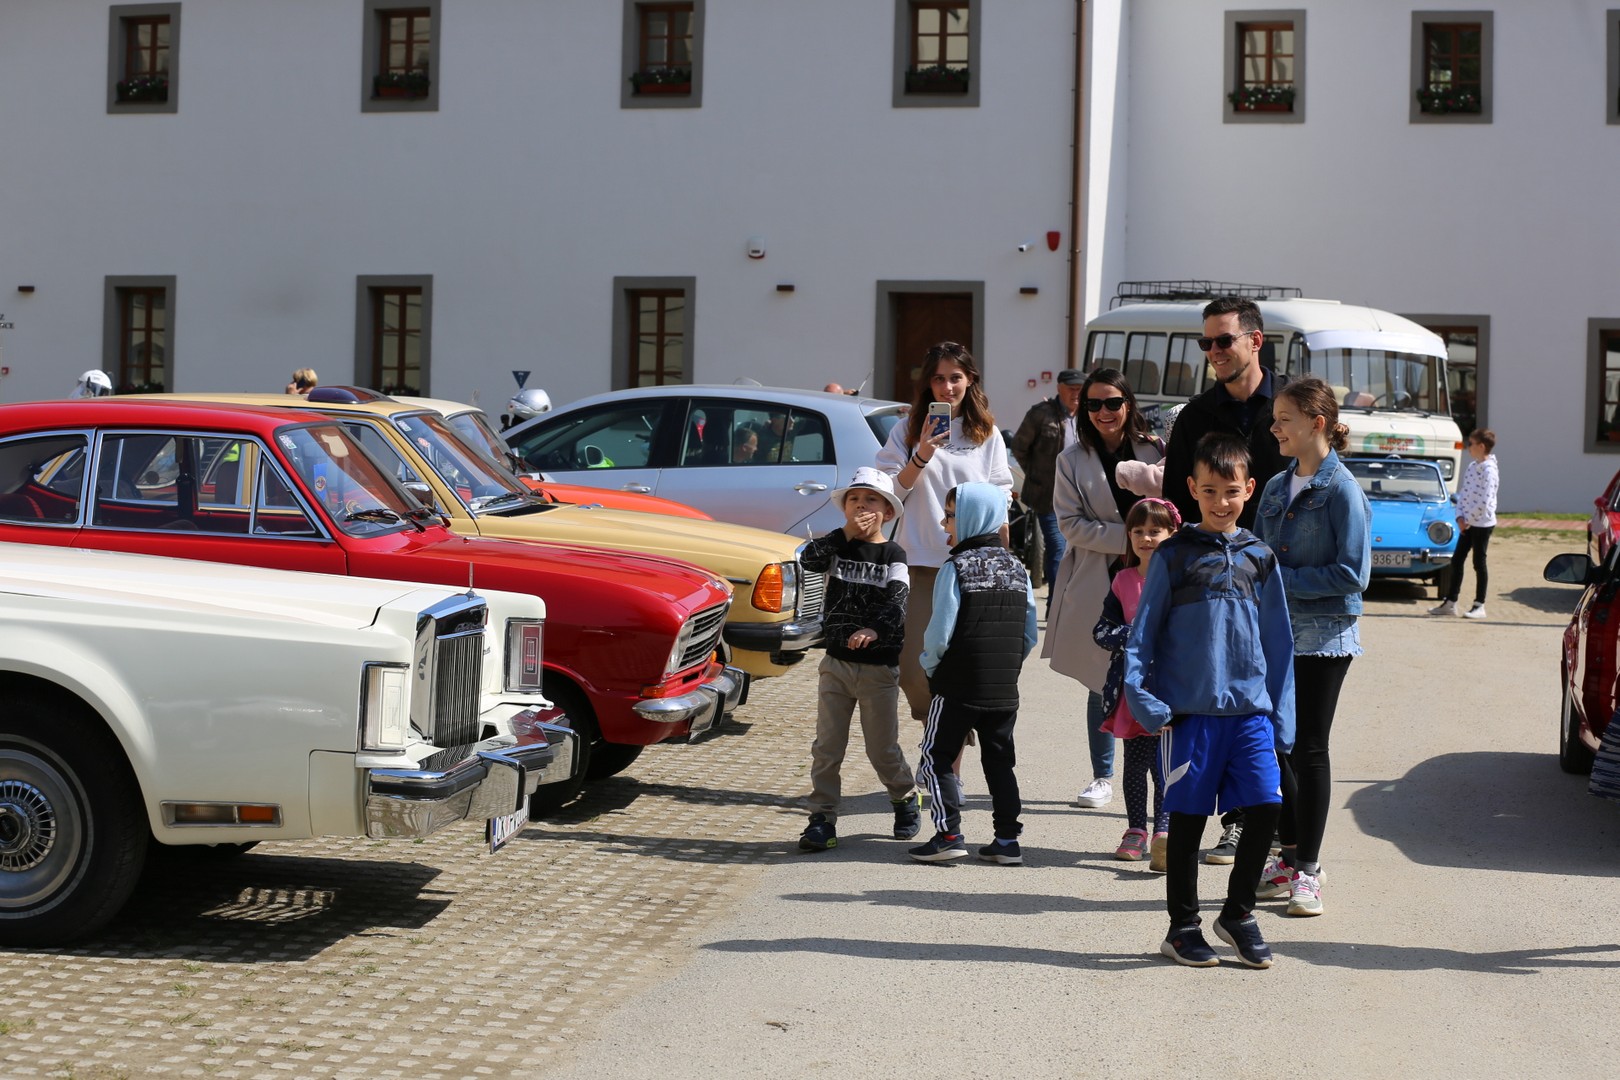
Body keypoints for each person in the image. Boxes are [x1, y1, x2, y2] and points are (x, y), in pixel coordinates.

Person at [1124, 432, 1294, 969]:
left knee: (1268, 807)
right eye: (1210, 490)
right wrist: (1145, 701)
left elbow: (1280, 643)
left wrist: (1281, 715)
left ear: (1249, 490)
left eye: (1232, 491)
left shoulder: (1260, 557)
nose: (1222, 502)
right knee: (1189, 823)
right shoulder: (1174, 555)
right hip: (1190, 714)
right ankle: (1182, 927)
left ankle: (1238, 913)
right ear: (1193, 490)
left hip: (1250, 713)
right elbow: (1143, 633)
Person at [1159, 297, 1289, 864]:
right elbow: (1172, 502)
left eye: (1223, 341)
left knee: (1273, 706)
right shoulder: (1195, 416)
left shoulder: (1288, 407)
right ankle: (1229, 820)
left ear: (1255, 342)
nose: (1212, 352)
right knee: (1217, 701)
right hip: (1210, 585)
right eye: (1206, 343)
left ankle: (1284, 837)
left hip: (1274, 579)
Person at [1253, 377, 1371, 918]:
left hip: (1324, 637)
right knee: (1274, 746)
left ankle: (1309, 870)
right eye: (1274, 418)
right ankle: (1288, 853)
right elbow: (1256, 556)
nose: (1274, 427)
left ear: (1315, 424)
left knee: (1310, 749)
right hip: (1272, 634)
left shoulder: (1342, 489)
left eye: (1284, 419)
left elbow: (1353, 573)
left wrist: (1281, 581)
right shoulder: (1276, 486)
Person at [1043, 368, 1164, 810]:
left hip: (1157, 578)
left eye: (1112, 402)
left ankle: (1163, 778)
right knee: (1101, 679)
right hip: (1099, 577)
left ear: (1128, 403)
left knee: (1160, 672)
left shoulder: (1155, 449)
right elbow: (1070, 524)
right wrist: (1131, 539)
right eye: (1093, 404)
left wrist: (1152, 545)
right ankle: (1102, 775)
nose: (1103, 412)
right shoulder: (1070, 460)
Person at [875, 342, 1013, 723]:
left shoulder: (986, 434)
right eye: (939, 379)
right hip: (919, 560)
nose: (947, 387)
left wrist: (1002, 550)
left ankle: (943, 755)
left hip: (971, 564)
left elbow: (1001, 491)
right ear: (928, 384)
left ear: (970, 381)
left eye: (955, 378)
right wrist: (921, 454)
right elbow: (887, 493)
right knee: (913, 664)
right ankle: (935, 726)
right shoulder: (906, 429)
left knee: (961, 661)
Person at [909, 481, 1039, 864]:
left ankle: (948, 834)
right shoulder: (1018, 567)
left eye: (950, 516)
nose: (944, 523)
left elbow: (939, 633)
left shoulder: (956, 566)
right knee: (1000, 761)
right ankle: (1007, 841)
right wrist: (1008, 666)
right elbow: (1029, 633)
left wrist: (930, 668)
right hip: (1003, 689)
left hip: (956, 684)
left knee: (935, 755)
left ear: (969, 518)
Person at [796, 467, 921, 852]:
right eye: (854, 499)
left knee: (880, 748)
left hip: (878, 668)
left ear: (887, 511)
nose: (861, 507)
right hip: (835, 664)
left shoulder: (893, 554)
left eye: (870, 500)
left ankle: (904, 797)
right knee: (827, 747)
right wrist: (844, 534)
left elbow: (899, 601)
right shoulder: (837, 544)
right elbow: (808, 560)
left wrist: (873, 630)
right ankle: (822, 817)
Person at [1092, 497, 1180, 869]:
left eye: (1155, 531)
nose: (1146, 538)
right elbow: (1102, 632)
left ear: (1172, 534)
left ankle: (1163, 830)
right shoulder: (1122, 580)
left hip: (1171, 690)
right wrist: (1135, 635)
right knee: (1135, 765)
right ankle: (1135, 830)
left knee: (1164, 766)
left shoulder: (1181, 579)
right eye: (1139, 531)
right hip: (1132, 691)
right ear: (1129, 536)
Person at [1011, 368, 1085, 611]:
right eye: (1071, 388)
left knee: (1078, 550)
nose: (1076, 393)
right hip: (1048, 496)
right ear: (1059, 388)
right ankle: (1056, 605)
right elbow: (1020, 448)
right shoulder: (1041, 414)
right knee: (1058, 548)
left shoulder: (1089, 414)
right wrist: (1035, 475)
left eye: (1079, 388)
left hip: (1082, 497)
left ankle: (1070, 601)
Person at [1430, 429, 1499, 619]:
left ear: (1481, 446)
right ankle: (1451, 603)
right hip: (1466, 523)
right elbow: (1463, 494)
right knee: (1457, 559)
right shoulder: (1472, 467)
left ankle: (1479, 605)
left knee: (1479, 562)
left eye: (1471, 444)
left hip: (1481, 524)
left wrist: (1467, 521)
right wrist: (1459, 517)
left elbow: (1485, 501)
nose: (1468, 447)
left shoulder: (1489, 471)